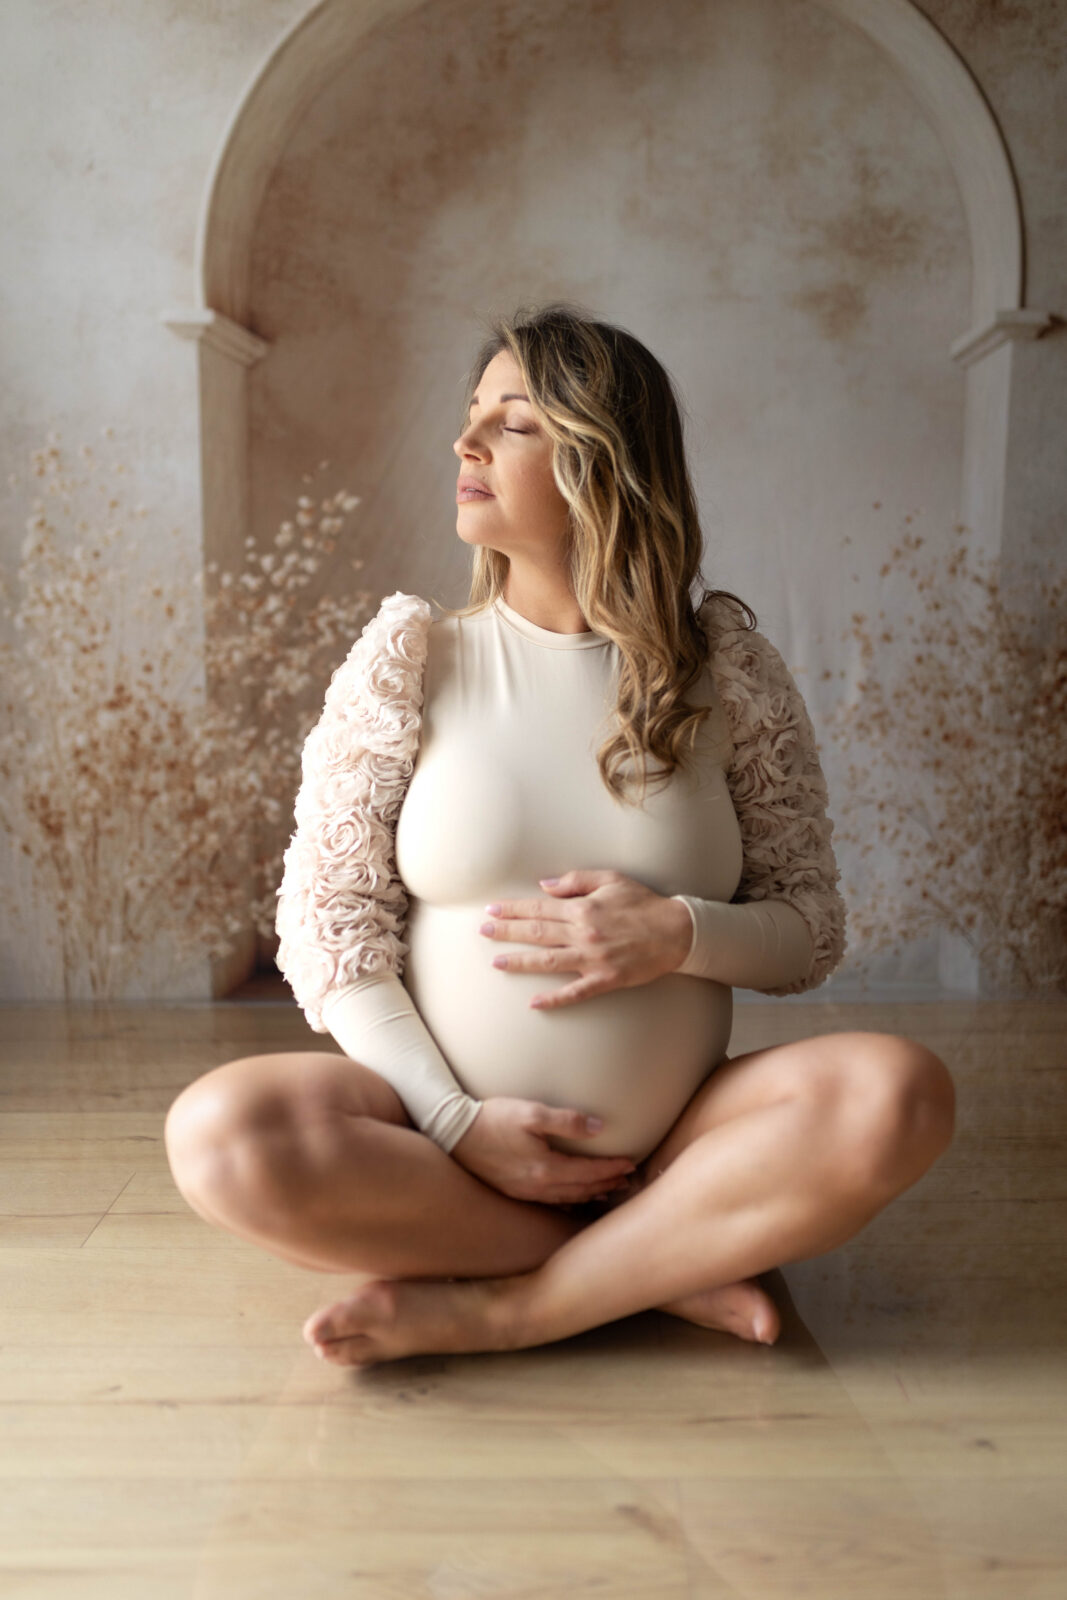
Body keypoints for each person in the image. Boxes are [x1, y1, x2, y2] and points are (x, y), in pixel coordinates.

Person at [163, 302, 956, 1370]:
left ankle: (516, 1305)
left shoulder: (727, 672)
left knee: (896, 1092)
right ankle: (656, 1264)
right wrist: (450, 1121)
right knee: (219, 1137)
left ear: (607, 461)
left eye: (515, 422)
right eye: (470, 415)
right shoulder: (413, 658)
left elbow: (808, 929)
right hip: (442, 1145)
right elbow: (324, 926)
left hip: (678, 1139)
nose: (466, 443)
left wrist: (678, 934)